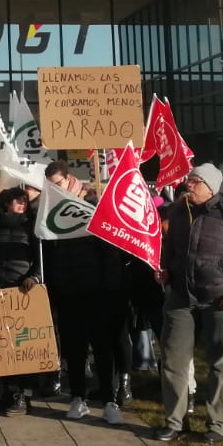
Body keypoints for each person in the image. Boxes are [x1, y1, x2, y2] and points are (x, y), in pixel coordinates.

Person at [152, 164, 223, 444]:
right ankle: (175, 422)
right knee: (173, 360)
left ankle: (218, 425)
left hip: (222, 299)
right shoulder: (179, 212)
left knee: (221, 364)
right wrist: (165, 269)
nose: (189, 186)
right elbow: (172, 248)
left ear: (211, 187)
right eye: (189, 181)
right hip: (181, 297)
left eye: (196, 182)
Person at [43, 170, 132, 425]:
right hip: (69, 293)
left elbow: (110, 254)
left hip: (98, 293)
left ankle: (109, 400)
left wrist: (110, 290)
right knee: (75, 349)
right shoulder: (53, 214)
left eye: (58, 184)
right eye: (52, 186)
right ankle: (78, 397)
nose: (56, 189)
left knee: (103, 348)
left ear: (69, 180)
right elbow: (50, 254)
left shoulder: (96, 209)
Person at [0, 186, 39, 418]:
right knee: (3, 346)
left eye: (24, 201)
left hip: (22, 292)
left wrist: (34, 277)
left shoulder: (31, 228)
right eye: (17, 201)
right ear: (6, 203)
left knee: (22, 345)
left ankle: (23, 395)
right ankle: (8, 392)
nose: (21, 204)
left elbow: (39, 258)